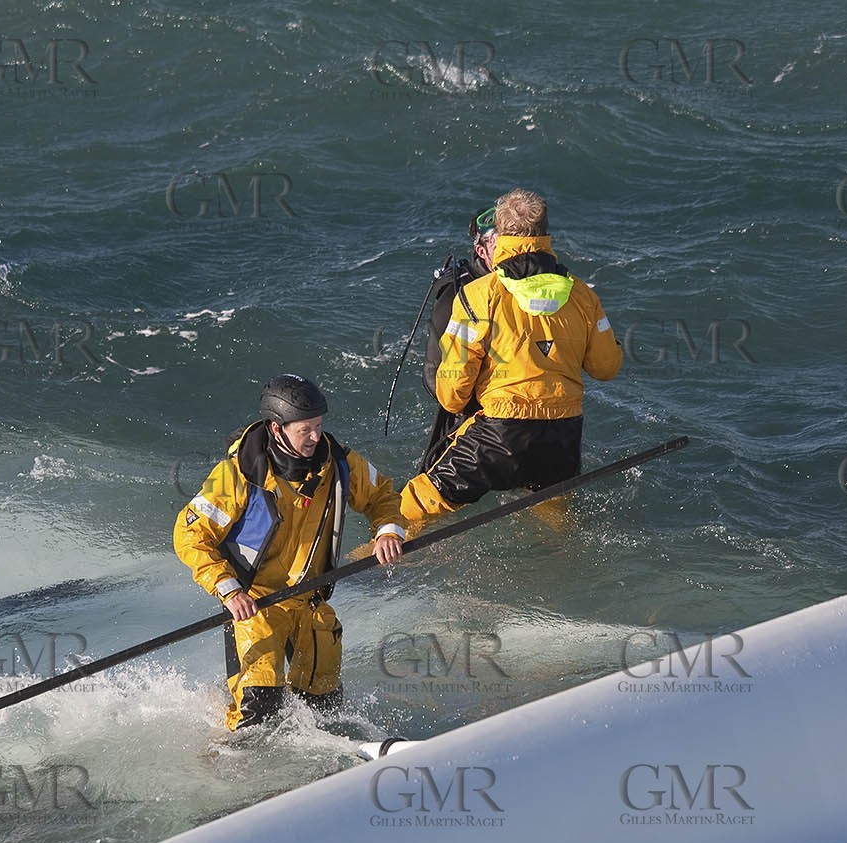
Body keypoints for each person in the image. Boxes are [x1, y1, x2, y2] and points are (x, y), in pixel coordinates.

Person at [174, 374, 407, 731]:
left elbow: (383, 496)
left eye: (318, 426)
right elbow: (190, 534)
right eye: (305, 430)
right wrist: (227, 587)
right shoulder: (237, 475)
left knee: (325, 711)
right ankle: (220, 756)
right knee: (258, 711)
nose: (316, 437)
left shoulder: (340, 464)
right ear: (277, 429)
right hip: (255, 606)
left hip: (311, 604)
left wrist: (387, 531)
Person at [400, 188, 622, 528]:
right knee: (555, 521)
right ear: (547, 234)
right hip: (563, 437)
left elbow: (452, 394)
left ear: (501, 237)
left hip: (501, 435)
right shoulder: (583, 295)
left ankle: (365, 566)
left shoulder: (478, 295)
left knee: (411, 508)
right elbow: (607, 368)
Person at [413, 208, 498, 476]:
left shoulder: (528, 285)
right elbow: (434, 372)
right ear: (482, 251)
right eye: (502, 244)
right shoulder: (455, 294)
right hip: (465, 417)